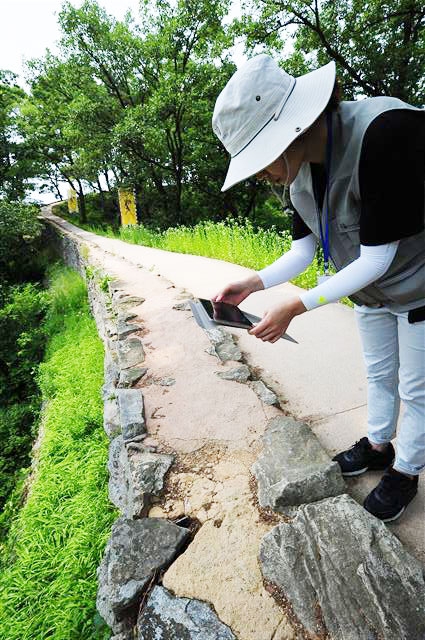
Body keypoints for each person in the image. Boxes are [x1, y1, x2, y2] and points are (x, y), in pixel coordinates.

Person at [211, 54, 425, 522]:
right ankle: (378, 444)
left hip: (418, 287)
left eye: (260, 158)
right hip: (371, 295)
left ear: (289, 130)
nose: (261, 173)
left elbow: (379, 257)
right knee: (378, 373)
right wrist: (253, 282)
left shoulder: (385, 133)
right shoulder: (300, 171)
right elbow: (304, 252)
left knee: (418, 387)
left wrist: (297, 305)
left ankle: (406, 471)